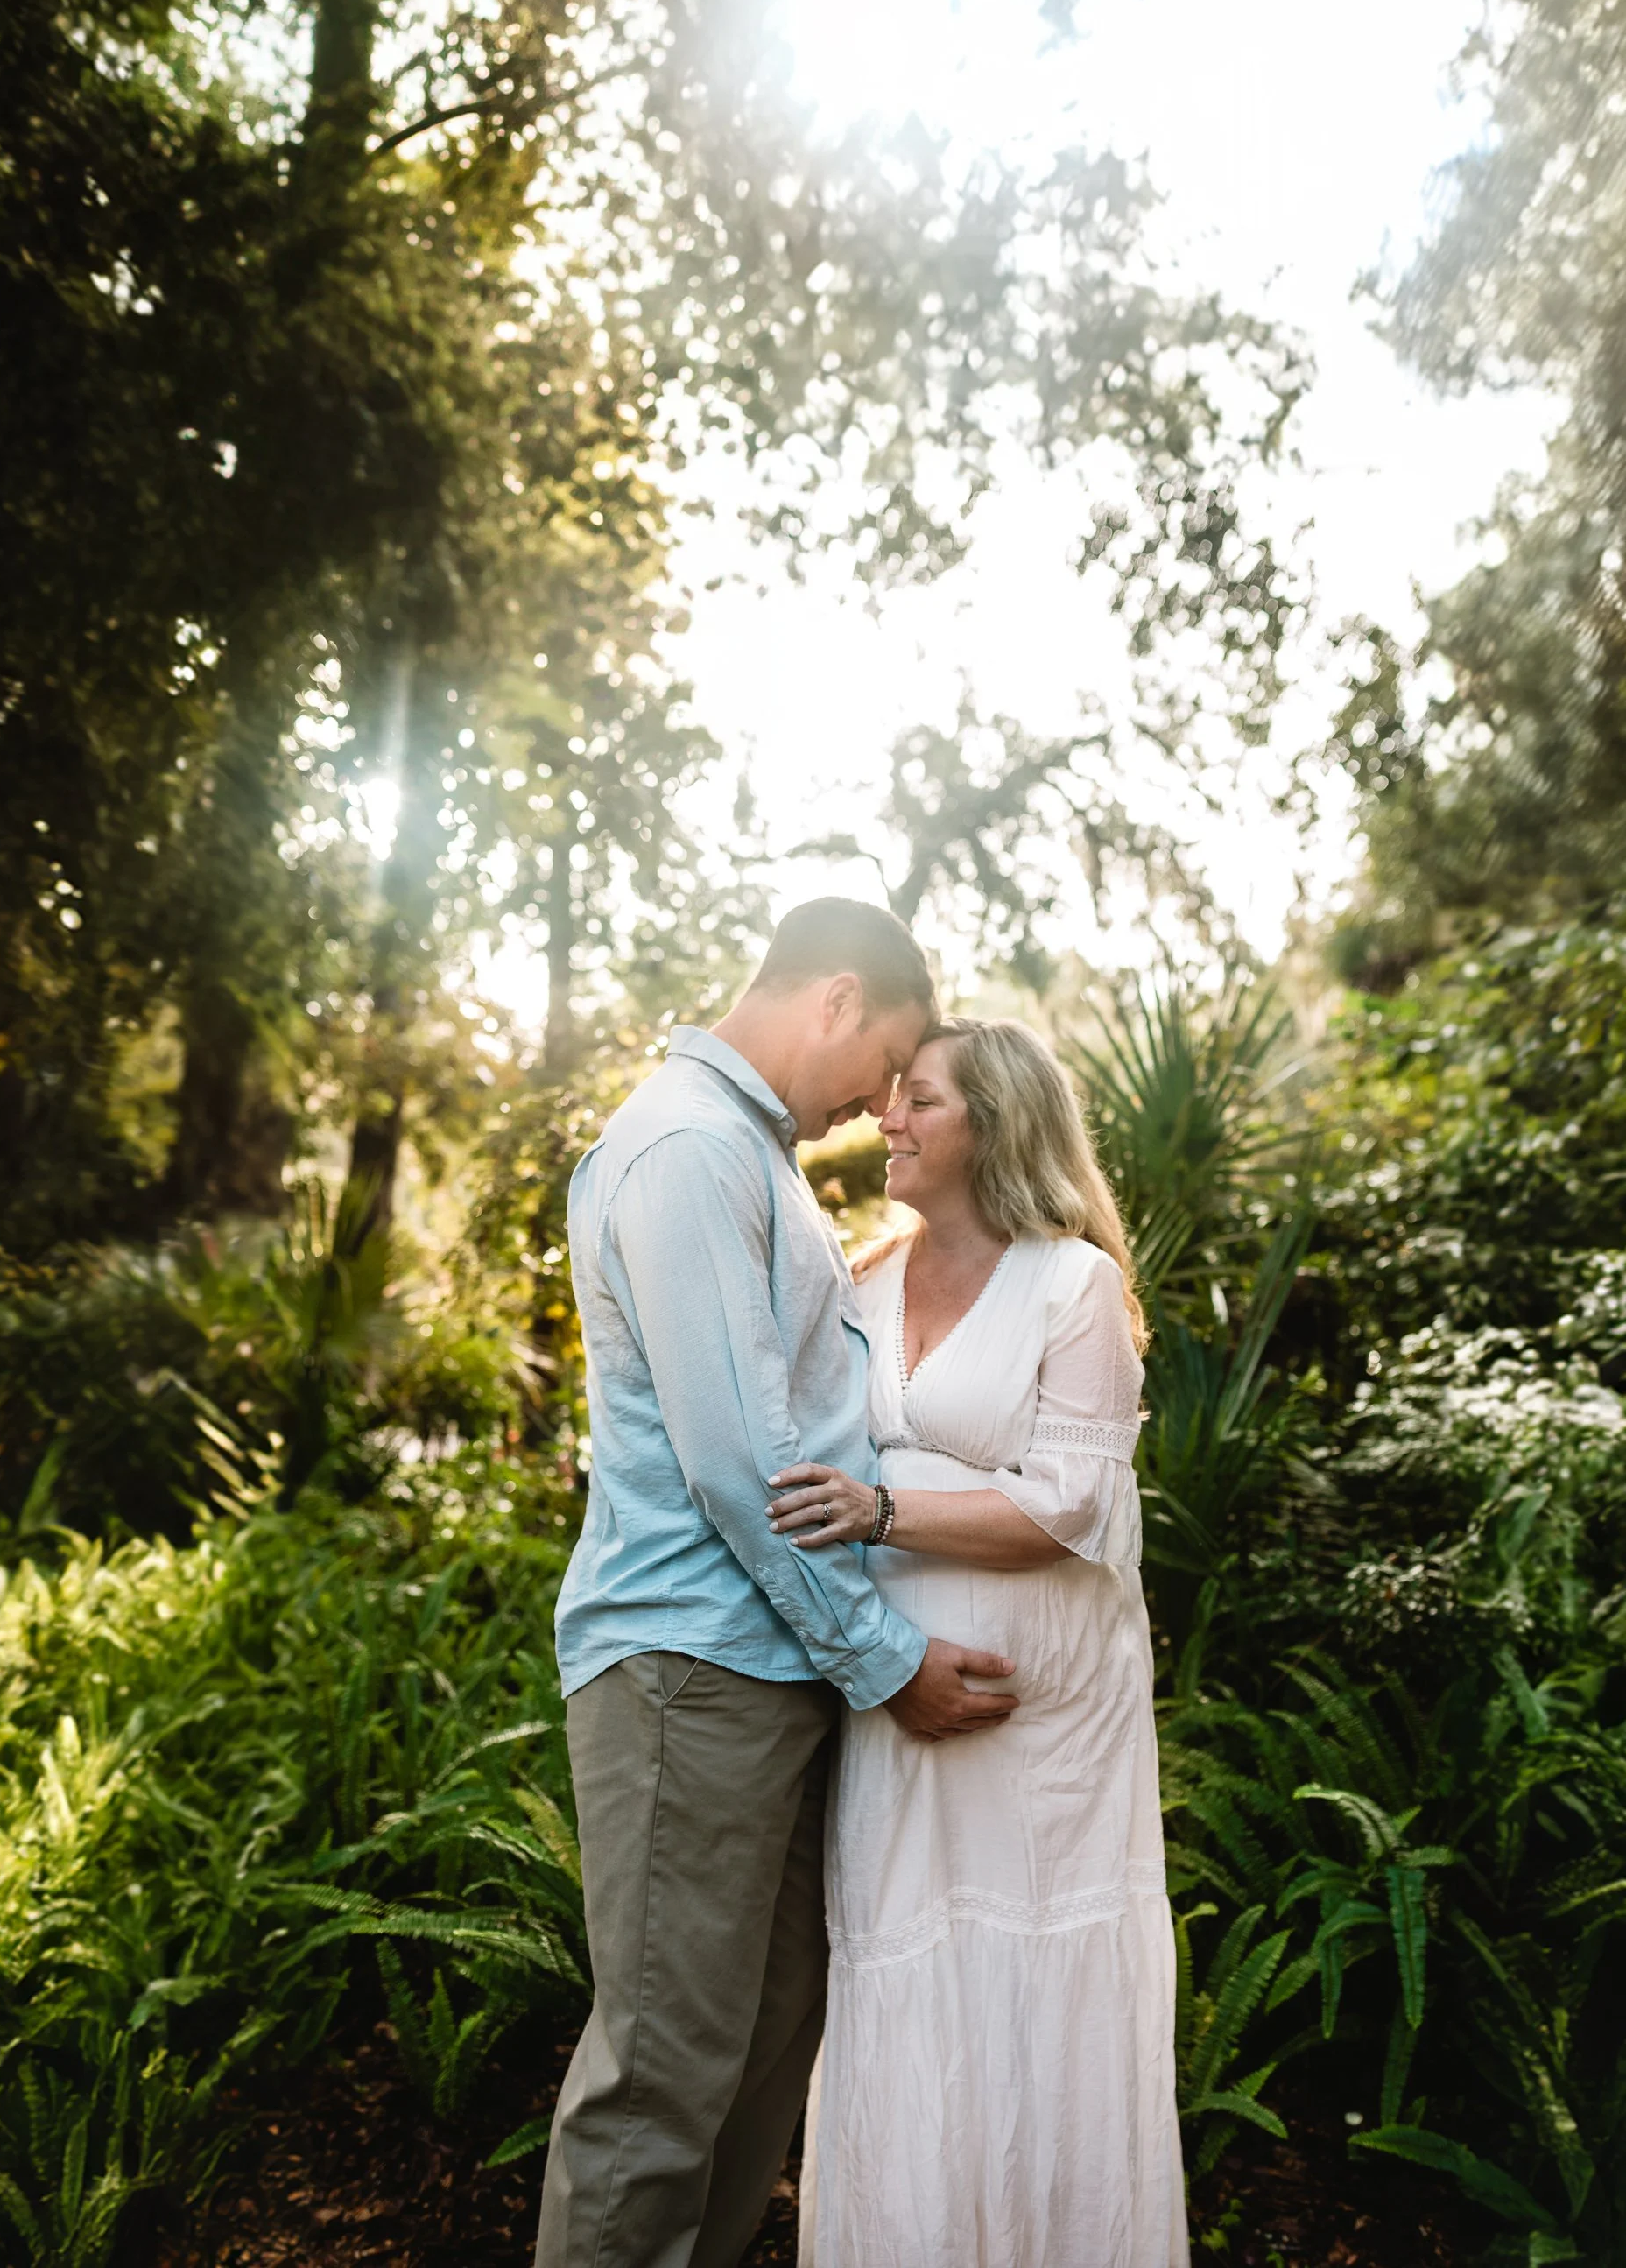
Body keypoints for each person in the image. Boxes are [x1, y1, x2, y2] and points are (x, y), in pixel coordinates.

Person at [536, 901, 1019, 2268]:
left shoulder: (748, 1157)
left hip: (767, 1669)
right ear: (837, 999)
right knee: (664, 2080)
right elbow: (741, 1464)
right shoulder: (689, 1147)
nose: (881, 1103)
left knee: (759, 2049)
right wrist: (886, 1657)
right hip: (691, 1671)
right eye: (888, 1063)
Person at [767, 1016, 1188, 2268]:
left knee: (1042, 1978)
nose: (886, 1120)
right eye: (895, 1098)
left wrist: (884, 1508)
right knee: (904, 1965)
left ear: (995, 1127)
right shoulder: (863, 1280)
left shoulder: (1073, 1284)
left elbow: (1074, 1506)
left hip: (1043, 1723)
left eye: (921, 1102)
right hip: (898, 1698)